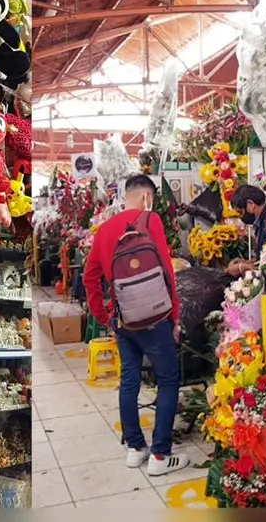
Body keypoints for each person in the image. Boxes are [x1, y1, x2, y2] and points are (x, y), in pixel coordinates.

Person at [82, 174, 189, 476]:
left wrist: (104, 315)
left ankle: (135, 448)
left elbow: (89, 278)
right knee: (168, 381)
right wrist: (175, 315)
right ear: (147, 198)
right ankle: (160, 455)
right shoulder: (150, 219)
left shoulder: (103, 231)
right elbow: (167, 271)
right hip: (155, 319)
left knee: (129, 380)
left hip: (123, 318)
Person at [227, 184, 266, 277]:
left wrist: (241, 268)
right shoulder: (263, 220)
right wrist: (247, 263)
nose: (240, 217)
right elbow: (264, 256)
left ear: (251, 204)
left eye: (240, 212)